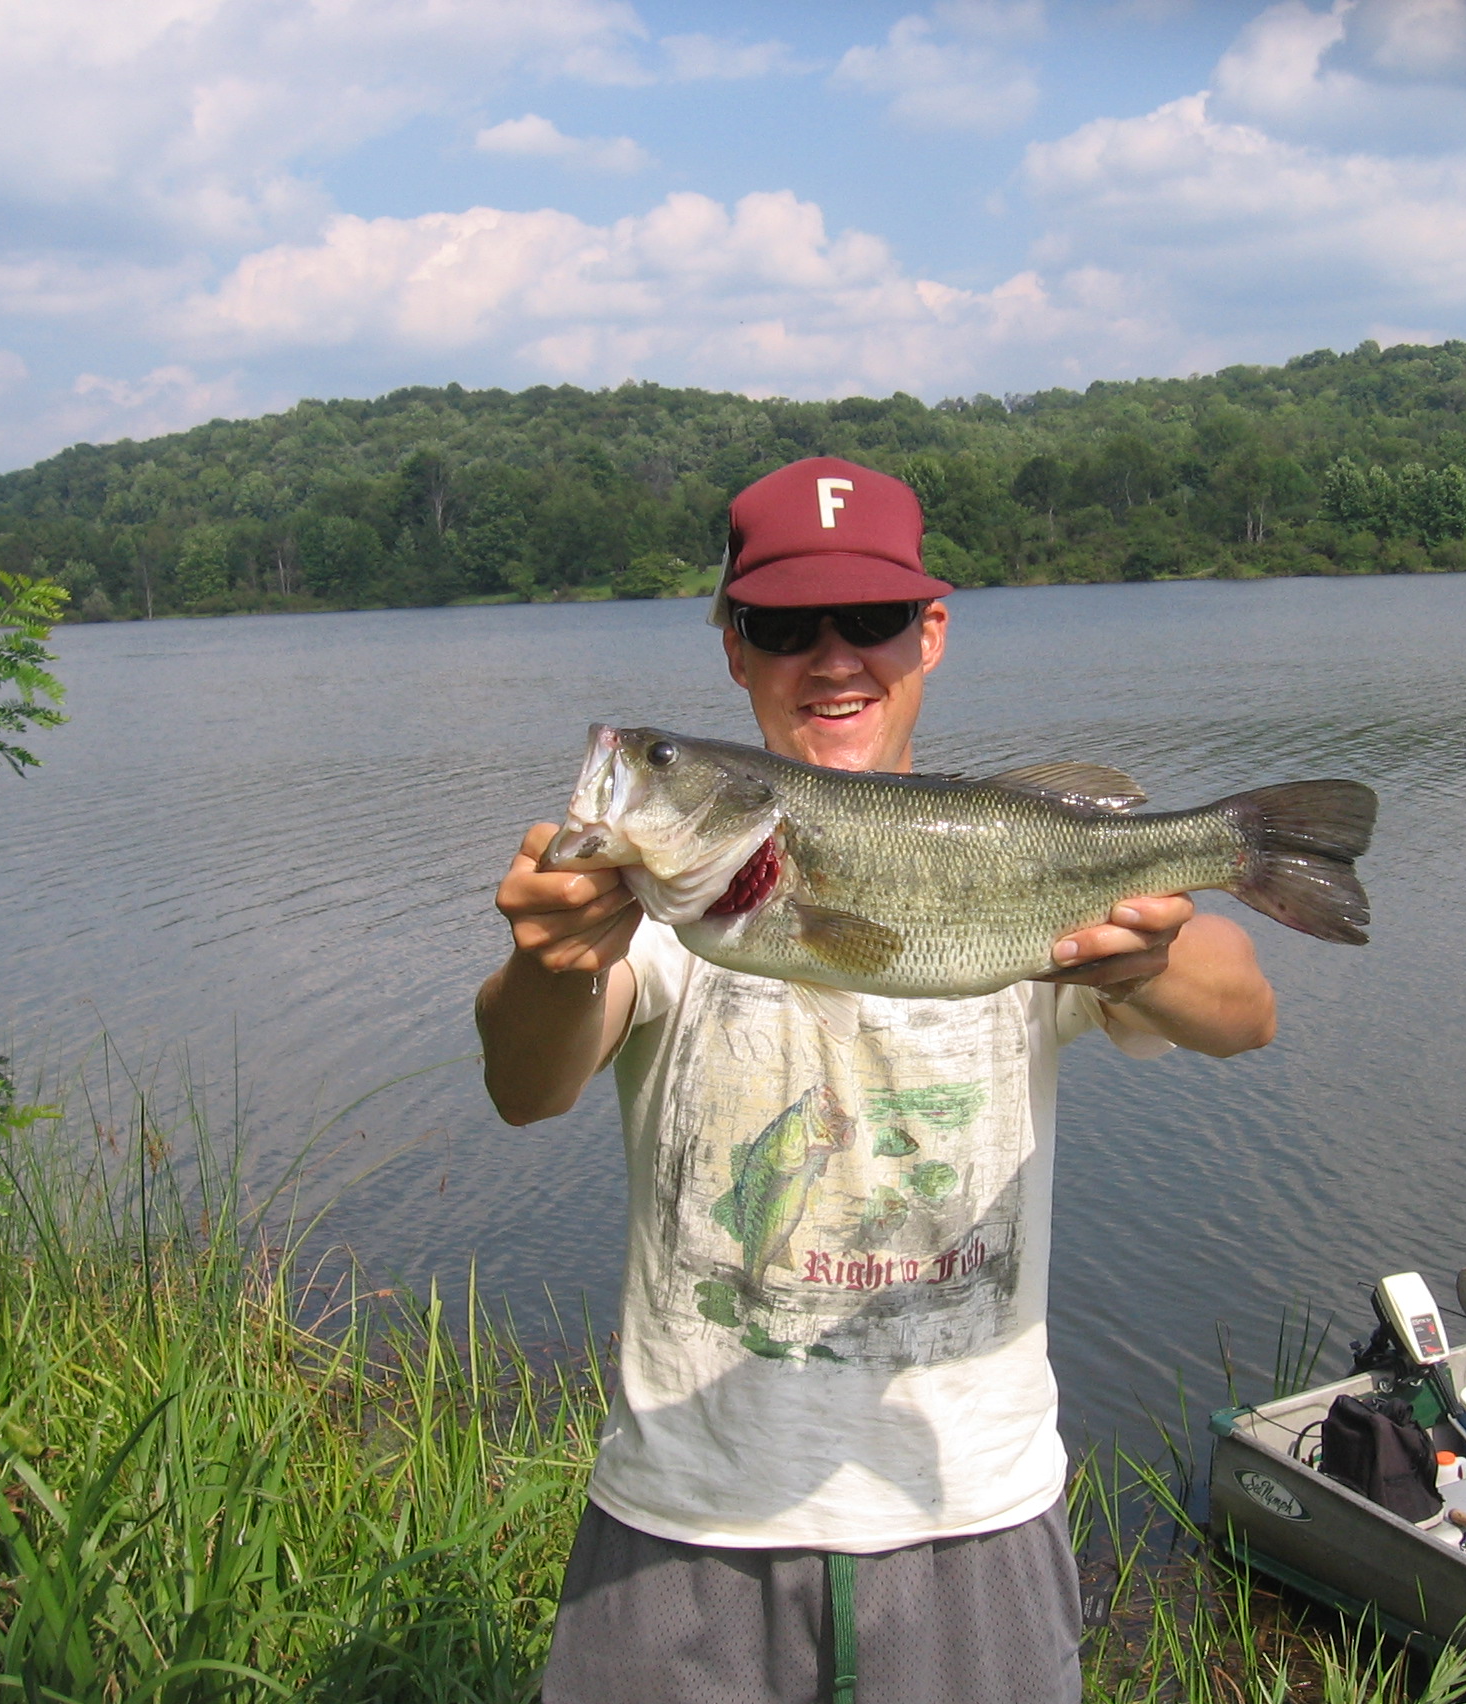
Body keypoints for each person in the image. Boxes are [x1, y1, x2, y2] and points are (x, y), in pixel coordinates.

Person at [474, 456, 1277, 1704]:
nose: (833, 658)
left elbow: (1243, 1011)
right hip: (687, 1514)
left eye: (872, 618)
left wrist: (1150, 958)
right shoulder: (655, 911)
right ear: (733, 648)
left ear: (930, 633)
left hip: (969, 1510)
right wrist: (549, 964)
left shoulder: (1012, 860)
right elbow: (524, 1087)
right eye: (785, 627)